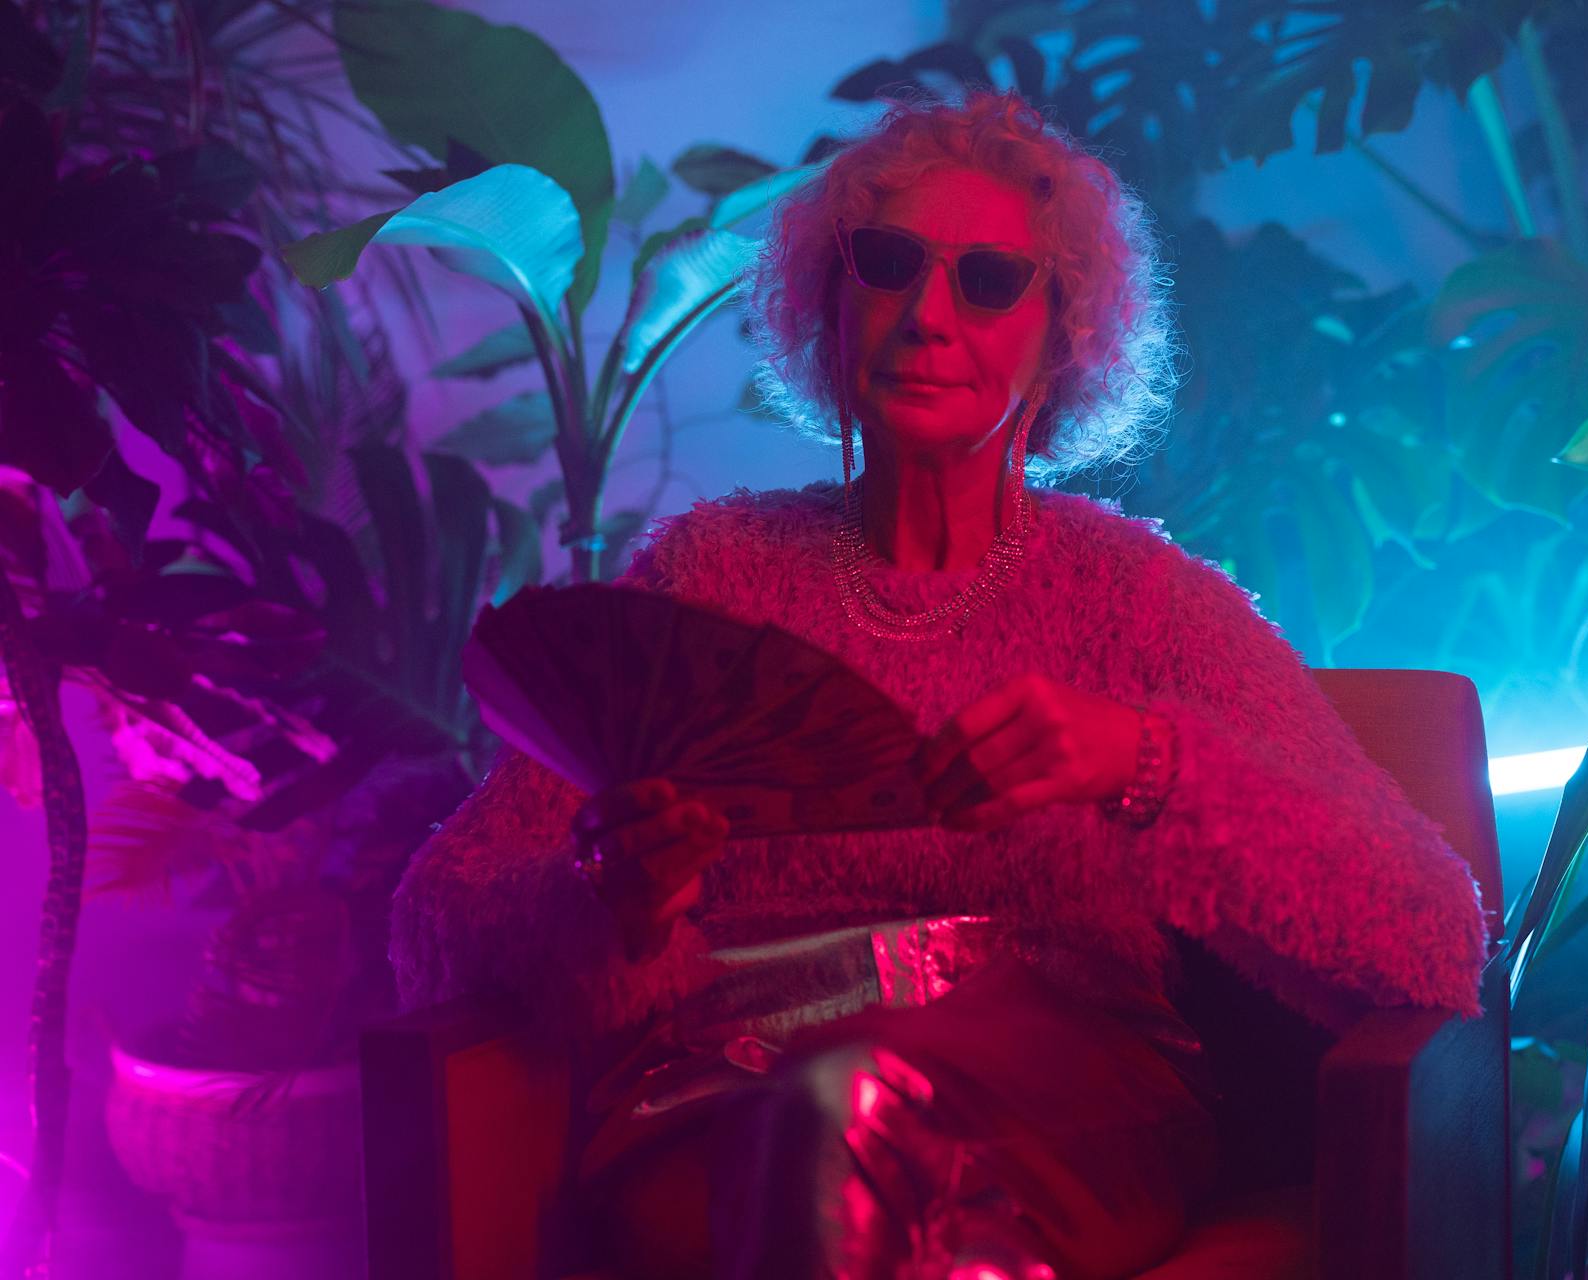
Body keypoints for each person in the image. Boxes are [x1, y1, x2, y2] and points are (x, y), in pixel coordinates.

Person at [389, 91, 1489, 1280]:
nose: (927, 315)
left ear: (1064, 336)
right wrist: (614, 897)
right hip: (717, 1104)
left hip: (1070, 1108)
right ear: (830, 298)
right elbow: (441, 918)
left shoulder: (1139, 600)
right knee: (852, 1184)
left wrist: (1143, 760)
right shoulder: (708, 575)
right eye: (890, 262)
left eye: (990, 281)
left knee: (846, 1116)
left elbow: (1428, 929)